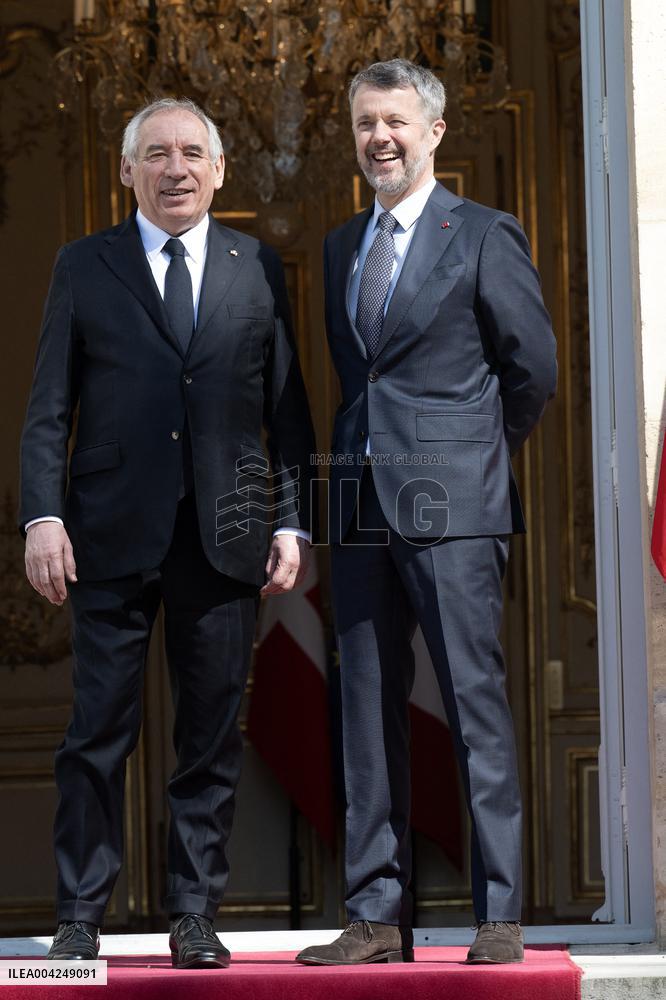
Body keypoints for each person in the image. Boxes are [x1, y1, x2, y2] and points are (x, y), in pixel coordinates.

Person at [19, 97, 316, 968]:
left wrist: (294, 521)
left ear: (219, 170)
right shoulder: (85, 266)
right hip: (107, 539)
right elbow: (47, 411)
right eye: (156, 154)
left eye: (191, 152)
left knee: (209, 738)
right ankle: (79, 914)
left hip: (225, 539)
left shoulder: (256, 266)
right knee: (96, 735)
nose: (175, 167)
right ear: (127, 172)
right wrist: (43, 516)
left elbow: (287, 415)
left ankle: (194, 914)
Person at [296, 59, 557, 967]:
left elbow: (533, 371)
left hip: (455, 502)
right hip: (359, 505)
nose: (381, 138)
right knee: (364, 707)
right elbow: (358, 374)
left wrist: (474, 455)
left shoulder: (483, 233)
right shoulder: (339, 247)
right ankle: (376, 916)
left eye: (397, 122)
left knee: (473, 704)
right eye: (367, 123)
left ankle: (499, 913)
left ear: (434, 132)